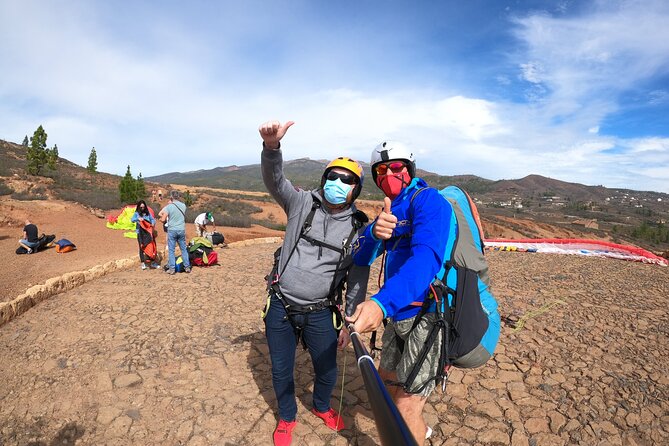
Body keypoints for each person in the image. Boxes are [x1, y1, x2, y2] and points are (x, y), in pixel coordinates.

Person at [346, 141, 501, 444]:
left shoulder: (428, 201)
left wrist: (380, 304)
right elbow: (360, 257)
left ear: (410, 169)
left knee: (404, 409)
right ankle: (421, 432)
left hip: (429, 316)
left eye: (396, 167)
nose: (389, 174)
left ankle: (414, 431)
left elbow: (426, 259)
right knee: (388, 389)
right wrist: (374, 233)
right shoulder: (390, 211)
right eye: (381, 170)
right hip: (397, 316)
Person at [259, 120, 370, 446]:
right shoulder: (302, 202)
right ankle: (287, 417)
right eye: (332, 176)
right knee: (281, 369)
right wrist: (271, 149)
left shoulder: (359, 228)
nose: (338, 182)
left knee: (327, 370)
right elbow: (275, 181)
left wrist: (350, 322)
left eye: (347, 180)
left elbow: (358, 278)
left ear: (356, 190)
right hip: (281, 304)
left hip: (322, 311)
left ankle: (321, 406)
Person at [158, 191, 191, 274]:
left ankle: (172, 269)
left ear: (171, 197)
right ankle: (187, 267)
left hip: (172, 230)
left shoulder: (169, 207)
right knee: (183, 249)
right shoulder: (183, 206)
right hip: (181, 229)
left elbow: (163, 219)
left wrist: (161, 219)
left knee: (171, 250)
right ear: (179, 197)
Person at [131, 200, 159, 270]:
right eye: (141, 207)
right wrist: (138, 219)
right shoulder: (136, 213)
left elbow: (153, 220)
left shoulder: (147, 213)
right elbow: (132, 219)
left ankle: (152, 262)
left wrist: (152, 223)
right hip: (140, 233)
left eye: (143, 207)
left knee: (151, 246)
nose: (142, 209)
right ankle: (143, 263)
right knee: (141, 247)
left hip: (148, 233)